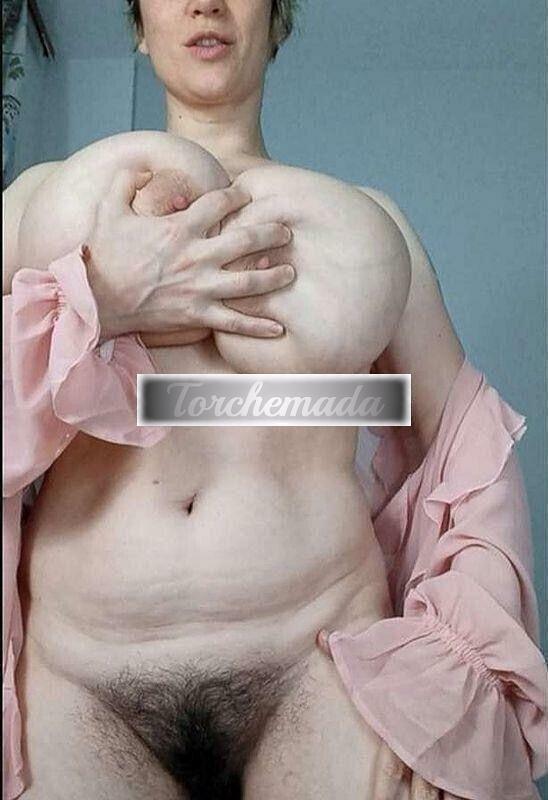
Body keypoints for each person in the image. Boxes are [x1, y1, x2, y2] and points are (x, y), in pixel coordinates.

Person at [2, 1, 546, 799]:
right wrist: (95, 304)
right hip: (81, 678)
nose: (206, 3)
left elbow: (465, 446)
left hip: (315, 661)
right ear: (139, 25)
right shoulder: (37, 204)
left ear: (277, 18)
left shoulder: (368, 230)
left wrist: (452, 680)